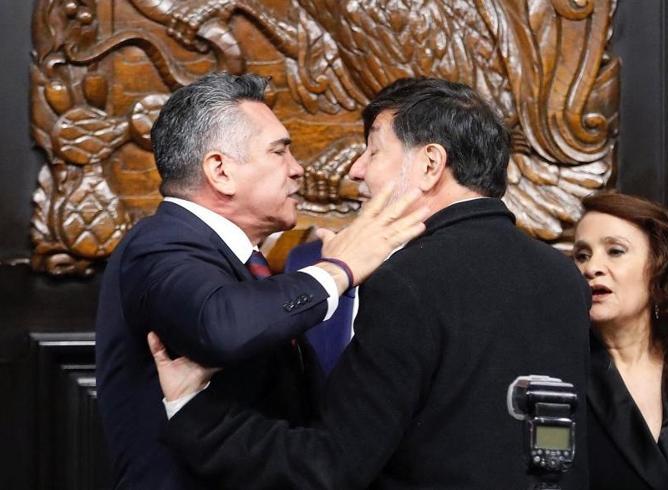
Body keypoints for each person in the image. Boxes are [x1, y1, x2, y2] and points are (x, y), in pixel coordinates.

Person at [150, 77, 592, 489]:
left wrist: (194, 413)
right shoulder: (564, 277)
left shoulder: (407, 282)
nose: (357, 170)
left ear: (430, 164)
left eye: (373, 151)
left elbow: (330, 466)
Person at [95, 72, 426, 490]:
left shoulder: (244, 262)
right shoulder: (159, 242)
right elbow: (221, 325)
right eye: (279, 151)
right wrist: (339, 270)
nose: (297, 169)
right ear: (220, 171)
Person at [572, 192, 668, 490]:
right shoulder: (561, 373)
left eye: (615, 251)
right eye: (582, 255)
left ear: (659, 266)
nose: (591, 267)